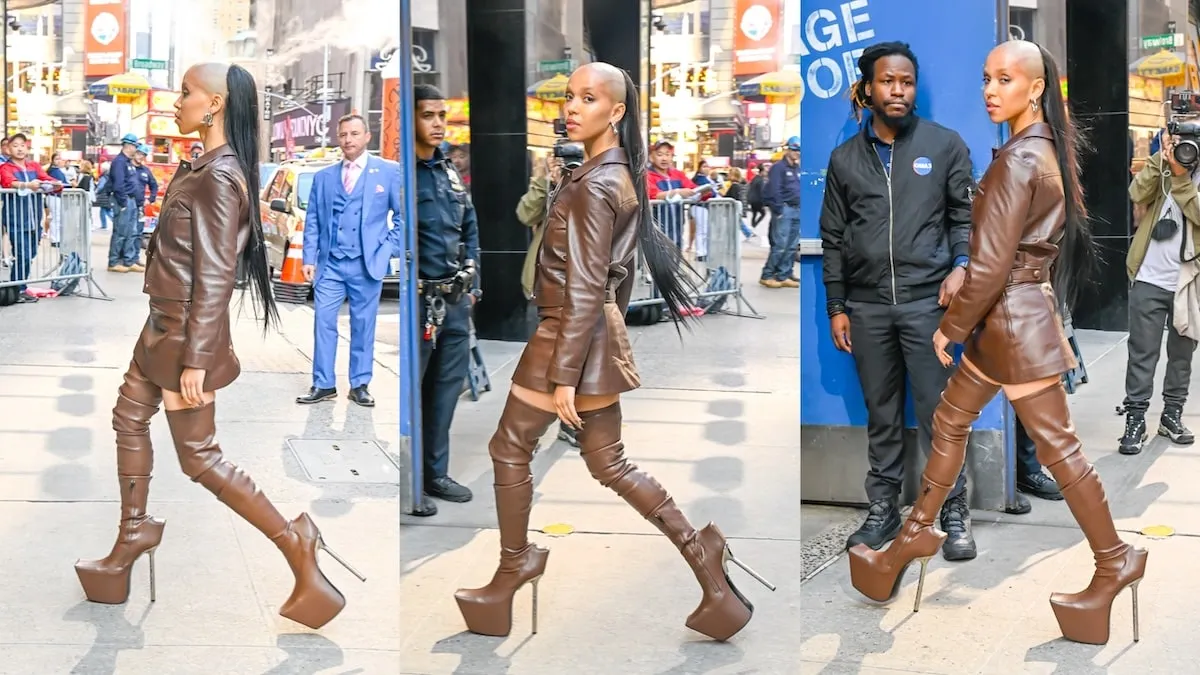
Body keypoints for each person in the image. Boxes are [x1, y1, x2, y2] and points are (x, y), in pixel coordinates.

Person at [452, 62, 774, 642]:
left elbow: (585, 285)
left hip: (565, 334)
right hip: (587, 333)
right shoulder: (606, 175)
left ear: (617, 112)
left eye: (588, 99)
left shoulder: (599, 183)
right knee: (609, 464)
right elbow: (612, 284)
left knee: (509, 448)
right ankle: (706, 562)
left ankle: (513, 566)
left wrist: (566, 372)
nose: (572, 107)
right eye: (570, 97)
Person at [849, 41, 1146, 646]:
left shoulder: (1020, 158)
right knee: (951, 421)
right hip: (1007, 321)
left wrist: (950, 327)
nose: (990, 89)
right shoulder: (1035, 150)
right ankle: (915, 535)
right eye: (986, 77)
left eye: (1004, 79)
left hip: (1009, 322)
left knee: (1059, 450)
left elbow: (988, 266)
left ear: (1035, 88)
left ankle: (1115, 560)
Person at [73, 62, 365, 630]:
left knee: (199, 458)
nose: (176, 101)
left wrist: (199, 358)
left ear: (214, 105)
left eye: (186, 93)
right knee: (128, 418)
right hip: (161, 326)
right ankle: (132, 535)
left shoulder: (219, 175)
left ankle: (296, 543)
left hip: (184, 333)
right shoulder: (203, 166)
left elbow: (215, 273)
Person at [820, 42, 979, 560]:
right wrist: (836, 306)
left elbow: (964, 218)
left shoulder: (945, 145)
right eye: (888, 81)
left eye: (907, 82)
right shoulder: (845, 159)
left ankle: (951, 512)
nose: (899, 91)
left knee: (940, 414)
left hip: (927, 304)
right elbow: (834, 238)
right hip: (866, 309)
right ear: (868, 87)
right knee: (882, 414)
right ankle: (884, 508)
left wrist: (960, 266)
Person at [297, 114, 405, 409]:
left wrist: (386, 251)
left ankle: (359, 383)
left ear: (367, 136)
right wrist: (309, 257)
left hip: (366, 263)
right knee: (323, 322)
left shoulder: (388, 172)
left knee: (363, 324)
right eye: (343, 134)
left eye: (354, 134)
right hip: (330, 263)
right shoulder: (324, 177)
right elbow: (314, 221)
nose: (348, 140)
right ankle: (323, 383)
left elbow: (404, 219)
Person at [409, 85, 482, 514]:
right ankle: (413, 480)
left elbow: (469, 224)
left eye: (442, 115)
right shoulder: (405, 173)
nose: (438, 123)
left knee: (445, 392)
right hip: (419, 300)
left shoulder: (447, 169)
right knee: (415, 391)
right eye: (428, 115)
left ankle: (435, 473)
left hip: (453, 301)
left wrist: (473, 274)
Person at [1119, 126, 1200, 455]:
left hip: (1188, 282)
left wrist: (1182, 177)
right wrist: (1161, 158)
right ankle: (1135, 420)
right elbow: (1137, 193)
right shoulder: (1165, 163)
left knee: (1181, 357)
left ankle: (1172, 416)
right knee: (1142, 355)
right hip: (1149, 275)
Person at [516, 154, 581, 449]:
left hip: (582, 286)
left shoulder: (595, 182)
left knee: (575, 360)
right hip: (546, 285)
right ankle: (534, 426)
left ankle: (570, 422)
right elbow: (525, 214)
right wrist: (544, 181)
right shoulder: (548, 186)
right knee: (543, 363)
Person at [0, 134, 62, 303]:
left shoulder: (34, 166)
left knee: (31, 253)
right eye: (15, 145)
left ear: (27, 148)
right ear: (8, 149)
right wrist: (26, 185)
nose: (19, 148)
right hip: (16, 219)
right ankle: (18, 288)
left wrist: (56, 183)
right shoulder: (6, 167)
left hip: (34, 219)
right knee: (23, 254)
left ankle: (18, 287)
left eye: (22, 145)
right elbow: (8, 182)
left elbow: (47, 179)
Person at [761, 137, 801, 288]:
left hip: (797, 209)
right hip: (785, 209)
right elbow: (774, 189)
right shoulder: (779, 168)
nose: (796, 153)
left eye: (798, 150)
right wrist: (778, 209)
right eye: (794, 149)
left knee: (791, 246)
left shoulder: (796, 169)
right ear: (787, 150)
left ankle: (784, 274)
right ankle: (768, 274)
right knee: (780, 245)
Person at [645, 140, 696, 248]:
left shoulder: (678, 174)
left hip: (677, 227)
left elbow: (693, 188)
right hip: (656, 229)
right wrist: (678, 192)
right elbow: (653, 194)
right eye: (659, 154)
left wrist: (705, 191)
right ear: (651, 157)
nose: (664, 158)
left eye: (667, 154)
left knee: (676, 254)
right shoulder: (647, 175)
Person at [107, 134, 143, 273]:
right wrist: (123, 203)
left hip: (131, 200)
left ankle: (128, 261)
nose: (136, 149)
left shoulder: (128, 162)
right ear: (128, 146)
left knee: (130, 232)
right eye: (135, 146)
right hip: (124, 200)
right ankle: (114, 261)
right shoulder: (120, 162)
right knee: (120, 232)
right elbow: (118, 184)